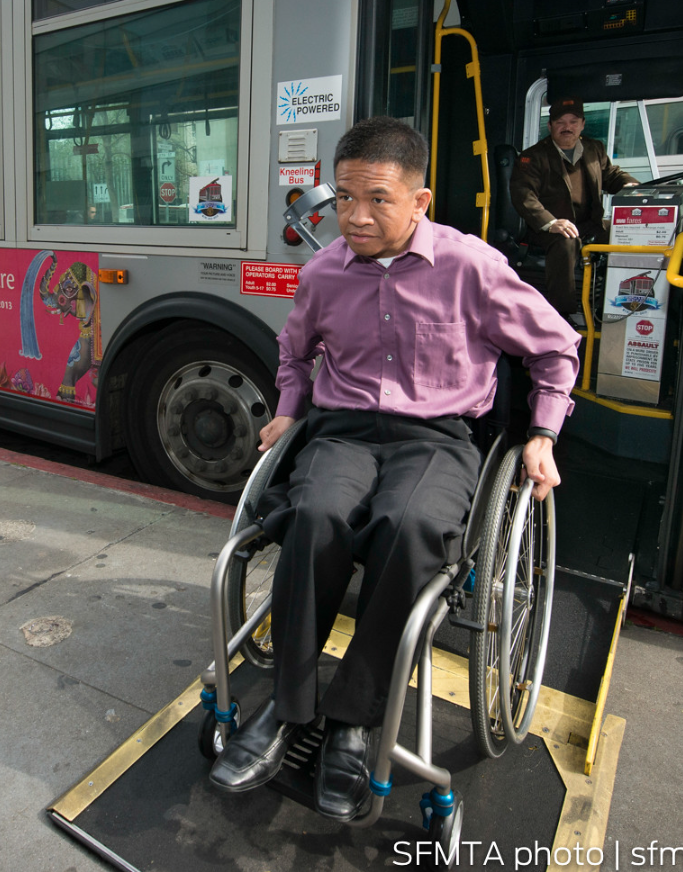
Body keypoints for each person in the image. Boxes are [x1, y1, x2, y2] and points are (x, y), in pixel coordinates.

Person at [209, 116, 580, 822]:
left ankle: (353, 719)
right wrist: (288, 407)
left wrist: (542, 432)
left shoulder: (471, 267)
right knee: (313, 515)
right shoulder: (322, 274)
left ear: (421, 201)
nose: (355, 215)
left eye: (377, 198)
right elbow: (293, 353)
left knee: (408, 528)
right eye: (344, 199)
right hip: (342, 431)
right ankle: (286, 709)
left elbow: (556, 347)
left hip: (436, 438)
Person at [509, 95, 639, 322]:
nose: (567, 127)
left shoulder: (594, 149)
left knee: (625, 232)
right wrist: (551, 222)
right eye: (560, 122)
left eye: (573, 121)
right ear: (550, 126)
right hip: (549, 229)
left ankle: (610, 305)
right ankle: (562, 313)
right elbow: (524, 195)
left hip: (589, 224)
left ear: (582, 124)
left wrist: (630, 186)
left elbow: (611, 175)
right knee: (565, 241)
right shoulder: (533, 156)